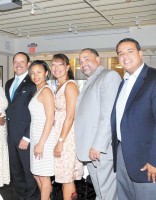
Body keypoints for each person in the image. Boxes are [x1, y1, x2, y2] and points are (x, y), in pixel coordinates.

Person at [111, 38, 156, 199]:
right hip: (123, 155)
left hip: (147, 160)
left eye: (130, 51)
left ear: (140, 53)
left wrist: (154, 160)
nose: (125, 56)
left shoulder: (153, 78)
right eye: (121, 54)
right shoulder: (124, 82)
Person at [74, 48, 121, 200]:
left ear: (98, 60)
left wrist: (98, 145)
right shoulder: (92, 79)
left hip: (101, 150)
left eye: (87, 59)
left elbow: (108, 115)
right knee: (100, 194)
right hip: (91, 150)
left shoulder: (109, 76)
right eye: (80, 61)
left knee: (108, 195)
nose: (83, 64)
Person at [5, 52, 39, 200]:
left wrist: (27, 136)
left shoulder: (33, 83)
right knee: (16, 171)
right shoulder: (8, 83)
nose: (18, 64)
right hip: (10, 135)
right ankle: (22, 197)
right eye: (16, 62)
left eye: (22, 61)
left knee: (29, 172)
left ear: (28, 64)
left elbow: (37, 113)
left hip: (26, 136)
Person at [51, 54, 83, 200]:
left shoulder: (70, 85)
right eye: (53, 65)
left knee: (67, 178)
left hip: (67, 138)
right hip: (61, 134)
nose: (56, 68)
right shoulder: (59, 85)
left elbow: (71, 116)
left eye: (60, 65)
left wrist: (61, 141)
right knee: (64, 177)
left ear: (68, 67)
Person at [28, 60, 56, 200]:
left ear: (46, 73)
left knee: (44, 177)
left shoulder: (46, 90)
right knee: (36, 173)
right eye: (32, 72)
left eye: (39, 72)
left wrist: (41, 143)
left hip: (44, 138)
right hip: (37, 136)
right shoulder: (38, 90)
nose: (35, 75)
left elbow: (50, 119)